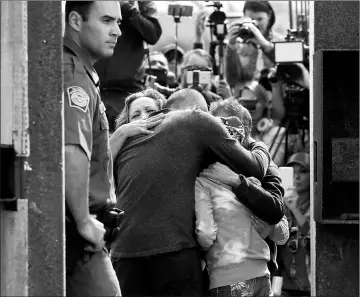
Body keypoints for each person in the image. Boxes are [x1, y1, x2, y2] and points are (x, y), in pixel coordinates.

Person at [110, 88, 284, 297]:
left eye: (152, 113)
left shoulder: (199, 137)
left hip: (195, 263)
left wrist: (242, 174)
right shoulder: (128, 147)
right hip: (165, 257)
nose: (145, 120)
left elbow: (275, 213)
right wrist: (119, 135)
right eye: (135, 116)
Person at [195, 102, 289, 296]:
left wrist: (271, 228)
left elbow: (283, 233)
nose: (226, 139)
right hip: (259, 278)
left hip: (230, 278)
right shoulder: (203, 171)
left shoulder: (259, 172)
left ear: (246, 134)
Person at [63, 2, 123, 296]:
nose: (117, 31)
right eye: (107, 21)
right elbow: (72, 149)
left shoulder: (81, 71)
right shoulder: (73, 74)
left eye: (119, 22)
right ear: (75, 20)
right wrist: (85, 222)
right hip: (76, 231)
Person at [94, 1, 162, 132]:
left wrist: (129, 8)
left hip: (126, 91)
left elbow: (153, 34)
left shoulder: (143, 4)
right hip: (96, 87)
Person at [225, 1, 282, 97]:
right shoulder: (239, 45)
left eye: (260, 19)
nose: (256, 24)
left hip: (277, 100)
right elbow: (232, 80)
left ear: (270, 16)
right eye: (251, 20)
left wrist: (264, 44)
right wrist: (231, 46)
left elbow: (288, 72)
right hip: (246, 101)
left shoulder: (280, 42)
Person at [275, 152, 311, 297]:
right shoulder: (279, 205)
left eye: (303, 171)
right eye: (292, 172)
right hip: (282, 284)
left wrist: (295, 209)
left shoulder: (316, 207)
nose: (297, 177)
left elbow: (316, 238)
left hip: (308, 284)